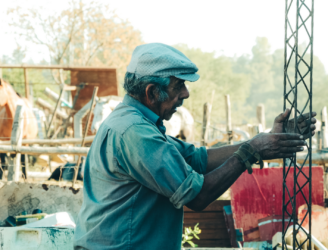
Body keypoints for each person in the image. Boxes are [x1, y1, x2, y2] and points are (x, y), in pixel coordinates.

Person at [73, 43, 316, 250]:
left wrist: (261, 140)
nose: (186, 94)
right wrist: (251, 152)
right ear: (150, 92)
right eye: (178, 86)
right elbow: (198, 196)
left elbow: (197, 158)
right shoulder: (135, 132)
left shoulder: (135, 122)